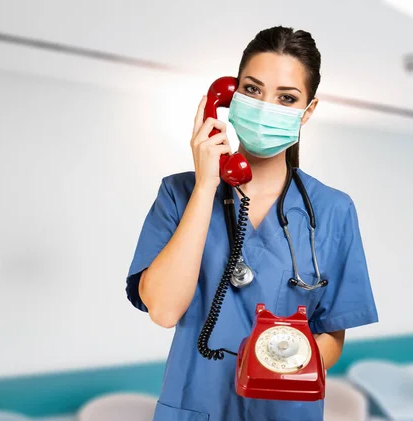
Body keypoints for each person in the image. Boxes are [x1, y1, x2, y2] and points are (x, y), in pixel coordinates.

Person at [125, 26, 378, 421]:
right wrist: (207, 183)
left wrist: (286, 365)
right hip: (196, 408)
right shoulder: (178, 194)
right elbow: (163, 311)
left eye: (287, 98)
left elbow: (331, 333)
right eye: (253, 90)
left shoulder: (333, 210)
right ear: (229, 96)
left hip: (286, 411)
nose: (265, 107)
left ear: (307, 112)